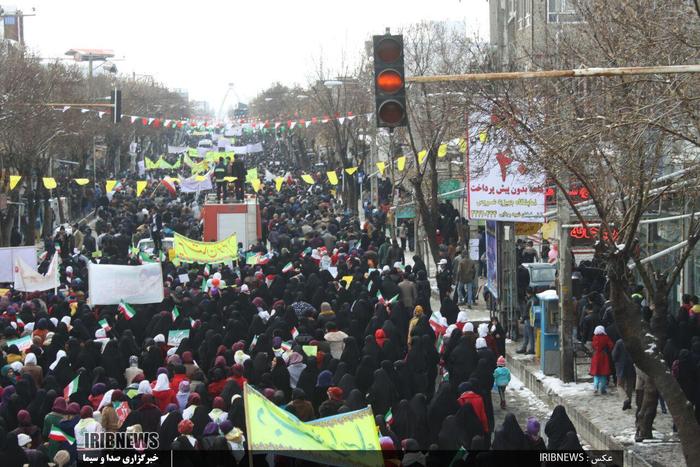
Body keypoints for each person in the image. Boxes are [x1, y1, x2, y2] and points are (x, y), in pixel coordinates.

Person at [590, 325, 613, 395]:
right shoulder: (606, 337)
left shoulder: (594, 337)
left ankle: (595, 387)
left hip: (596, 356)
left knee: (596, 373)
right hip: (603, 356)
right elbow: (611, 345)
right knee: (603, 373)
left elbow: (593, 346)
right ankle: (602, 389)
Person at [517, 287, 536, 354]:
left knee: (530, 335)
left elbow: (527, 311)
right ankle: (524, 347)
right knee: (526, 335)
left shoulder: (531, 301)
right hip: (528, 319)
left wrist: (523, 318)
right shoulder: (532, 299)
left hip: (528, 319)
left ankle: (531, 349)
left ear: (527, 293)